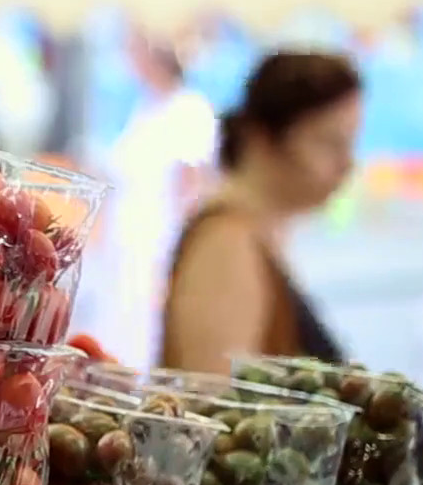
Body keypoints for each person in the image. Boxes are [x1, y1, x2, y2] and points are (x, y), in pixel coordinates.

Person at [160, 50, 363, 373]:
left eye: (350, 144)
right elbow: (210, 391)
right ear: (263, 137)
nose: (346, 164)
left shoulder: (254, 235)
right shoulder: (226, 242)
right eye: (328, 142)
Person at [72, 37, 218, 371]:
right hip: (127, 233)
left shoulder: (189, 109)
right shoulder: (147, 107)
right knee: (119, 315)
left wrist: (183, 243)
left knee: (143, 320)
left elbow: (191, 179)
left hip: (158, 232)